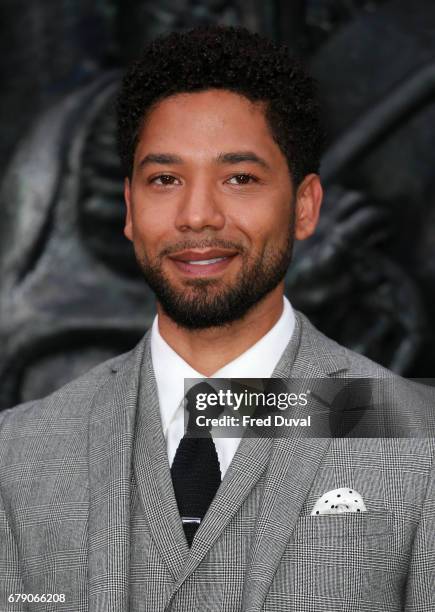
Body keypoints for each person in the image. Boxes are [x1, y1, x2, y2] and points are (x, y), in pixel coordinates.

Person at [0, 24, 434, 612]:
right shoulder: (20, 452)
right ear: (130, 208)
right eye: (165, 180)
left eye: (240, 179)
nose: (197, 215)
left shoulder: (412, 436)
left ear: (305, 206)